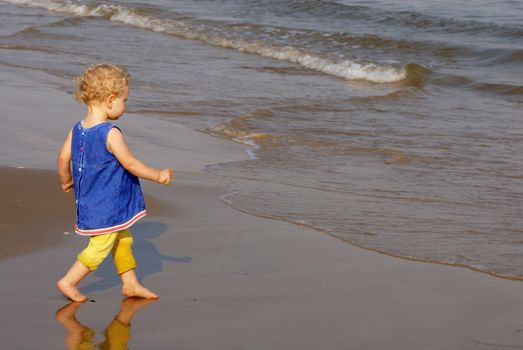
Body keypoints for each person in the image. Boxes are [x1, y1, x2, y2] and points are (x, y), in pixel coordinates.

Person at [56, 63, 173, 302]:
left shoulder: (77, 129)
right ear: (110, 100)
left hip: (90, 200)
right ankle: (69, 281)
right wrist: (157, 175)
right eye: (124, 100)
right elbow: (130, 164)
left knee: (123, 239)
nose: (125, 106)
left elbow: (62, 158)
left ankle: (130, 284)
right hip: (107, 204)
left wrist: (66, 181)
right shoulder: (110, 133)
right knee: (99, 247)